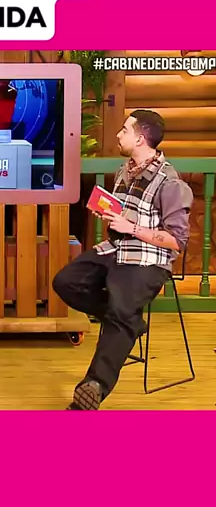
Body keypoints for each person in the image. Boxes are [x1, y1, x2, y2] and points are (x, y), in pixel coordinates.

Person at [52, 109, 193, 410]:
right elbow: (123, 217)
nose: (118, 135)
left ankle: (94, 386)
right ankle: (129, 322)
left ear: (141, 139)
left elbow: (177, 241)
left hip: (147, 259)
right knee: (65, 282)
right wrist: (108, 215)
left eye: (125, 130)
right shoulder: (123, 171)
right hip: (115, 248)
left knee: (120, 309)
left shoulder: (169, 182)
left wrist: (132, 228)